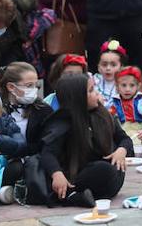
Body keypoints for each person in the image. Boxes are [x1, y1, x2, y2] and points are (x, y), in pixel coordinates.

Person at [38, 73, 130, 208]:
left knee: (114, 168)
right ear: (78, 98)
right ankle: (71, 194)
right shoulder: (62, 121)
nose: (96, 94)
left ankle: (75, 196)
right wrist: (57, 174)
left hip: (107, 177)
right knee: (103, 169)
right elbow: (48, 153)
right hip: (77, 174)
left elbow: (124, 138)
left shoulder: (102, 114)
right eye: (91, 90)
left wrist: (122, 150)